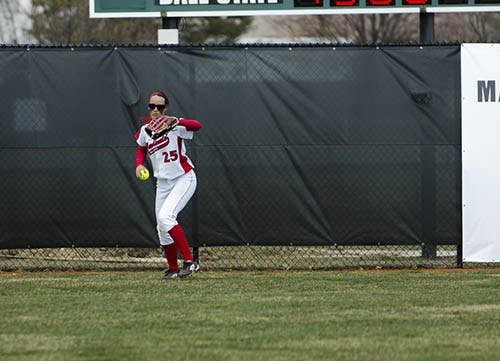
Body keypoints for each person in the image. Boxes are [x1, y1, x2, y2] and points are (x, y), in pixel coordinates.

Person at [135, 90, 202, 279]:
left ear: (166, 108)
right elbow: (141, 149)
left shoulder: (174, 125)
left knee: (166, 217)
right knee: (161, 227)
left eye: (160, 106)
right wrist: (139, 164)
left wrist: (177, 121)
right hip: (163, 183)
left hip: (184, 178)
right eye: (152, 106)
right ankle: (173, 268)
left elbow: (197, 125)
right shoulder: (145, 130)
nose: (155, 110)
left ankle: (189, 261)